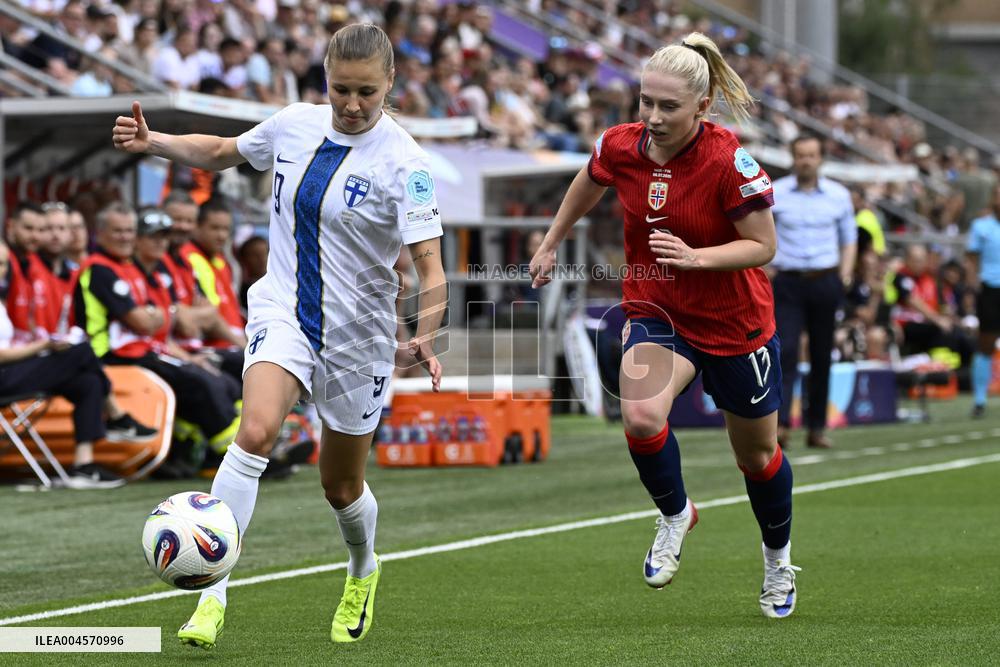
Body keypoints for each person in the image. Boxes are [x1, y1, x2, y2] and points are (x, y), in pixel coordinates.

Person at [113, 23, 447, 649]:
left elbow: (430, 267)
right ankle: (211, 596)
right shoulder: (293, 124)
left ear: (389, 86)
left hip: (359, 333)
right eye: (341, 89)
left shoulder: (408, 164)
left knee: (340, 486)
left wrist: (427, 334)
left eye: (365, 94)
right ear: (324, 80)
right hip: (283, 310)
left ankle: (362, 568)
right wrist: (154, 140)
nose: (351, 104)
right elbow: (219, 152)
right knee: (256, 432)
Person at [529, 32, 798, 619]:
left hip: (736, 324)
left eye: (667, 106)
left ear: (702, 107)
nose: (651, 117)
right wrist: (551, 241)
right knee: (642, 412)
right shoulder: (621, 145)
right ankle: (676, 513)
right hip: (659, 309)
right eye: (645, 102)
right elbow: (588, 180)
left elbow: (763, 246)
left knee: (757, 457)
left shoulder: (730, 161)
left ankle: (777, 562)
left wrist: (698, 257)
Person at [1, 240, 136, 489]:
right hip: (4, 376)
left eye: (3, 264)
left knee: (88, 382)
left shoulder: (4, 299)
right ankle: (116, 415)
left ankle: (83, 466)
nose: (1, 270)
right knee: (82, 351)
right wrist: (43, 347)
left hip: (12, 371)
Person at [770, 135, 857, 449]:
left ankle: (816, 427)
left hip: (825, 280)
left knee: (822, 354)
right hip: (788, 281)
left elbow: (849, 238)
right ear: (793, 158)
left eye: (811, 155)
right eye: (801, 155)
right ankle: (780, 425)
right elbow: (762, 232)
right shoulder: (776, 193)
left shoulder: (838, 195)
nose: (806, 160)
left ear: (821, 159)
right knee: (786, 351)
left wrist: (845, 274)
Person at [966, 184, 1000, 418]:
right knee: (986, 343)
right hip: (990, 289)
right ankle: (979, 399)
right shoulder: (981, 226)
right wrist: (971, 289)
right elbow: (971, 260)